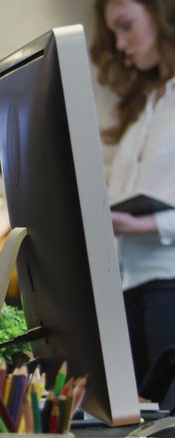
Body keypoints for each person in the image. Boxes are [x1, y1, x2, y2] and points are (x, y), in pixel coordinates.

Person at [92, 0, 175, 394]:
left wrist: (148, 224)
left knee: (166, 431)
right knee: (137, 420)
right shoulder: (147, 104)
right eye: (114, 33)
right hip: (129, 283)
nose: (121, 44)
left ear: (162, 15)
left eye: (127, 26)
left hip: (169, 282)